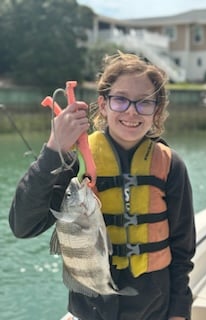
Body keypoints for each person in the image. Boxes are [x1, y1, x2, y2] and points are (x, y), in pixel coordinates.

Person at [9, 51, 196, 320]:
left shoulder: (170, 165)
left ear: (157, 110)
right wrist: (53, 149)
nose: (132, 111)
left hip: (155, 310)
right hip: (90, 311)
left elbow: (182, 250)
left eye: (145, 103)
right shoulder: (75, 162)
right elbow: (23, 226)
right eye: (120, 100)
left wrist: (179, 312)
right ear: (104, 104)